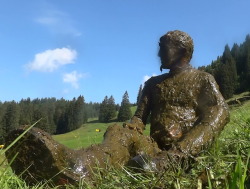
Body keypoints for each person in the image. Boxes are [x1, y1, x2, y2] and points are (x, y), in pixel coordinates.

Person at [5, 30, 230, 186]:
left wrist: (179, 153)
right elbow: (139, 119)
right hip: (154, 149)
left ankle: (83, 170)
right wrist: (131, 126)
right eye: (160, 48)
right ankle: (78, 167)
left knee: (141, 158)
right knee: (118, 132)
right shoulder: (153, 84)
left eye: (164, 48)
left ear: (183, 52)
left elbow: (219, 113)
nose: (159, 53)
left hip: (183, 153)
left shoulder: (202, 79)